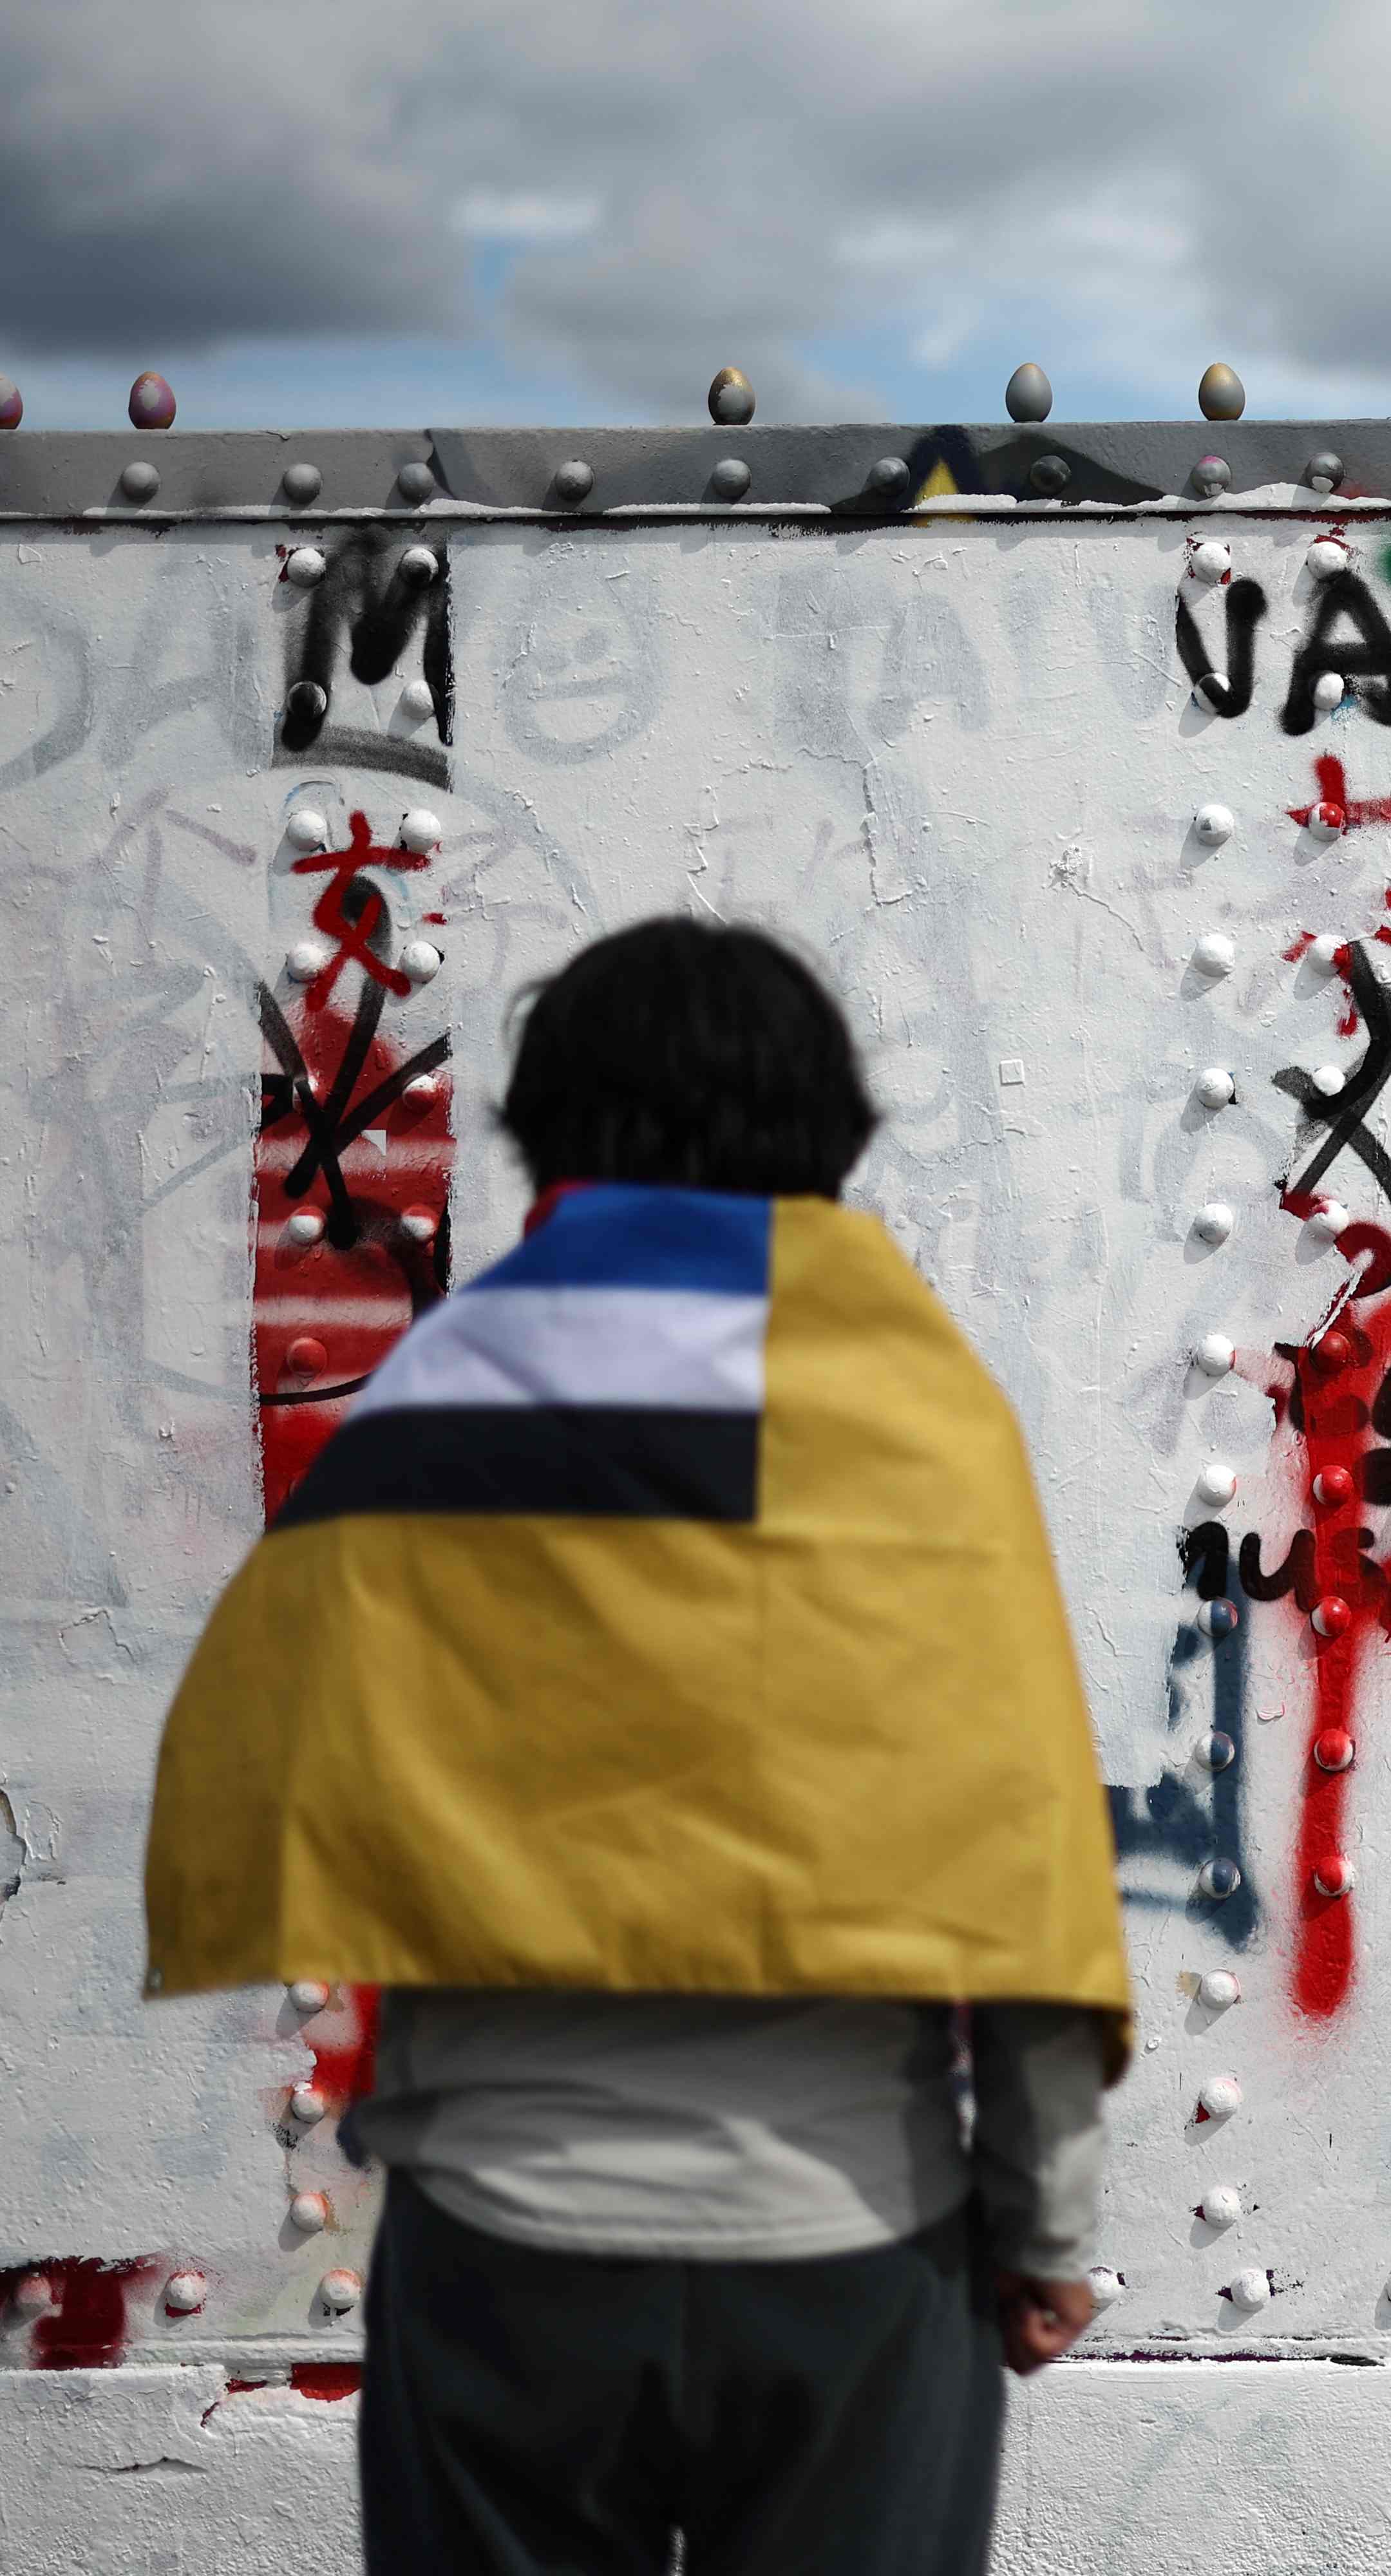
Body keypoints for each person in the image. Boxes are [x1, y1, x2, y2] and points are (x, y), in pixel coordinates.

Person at [146, 918, 1132, 2575]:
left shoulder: (430, 1400)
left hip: (502, 2257)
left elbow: (300, 1778)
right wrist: (1048, 2224)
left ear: (547, 1136)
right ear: (829, 1141)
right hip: (852, 2251)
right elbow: (1013, 1860)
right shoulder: (917, 1419)